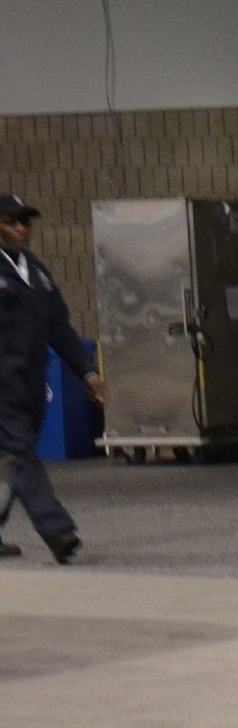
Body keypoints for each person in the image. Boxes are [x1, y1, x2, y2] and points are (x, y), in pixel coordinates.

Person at [0, 194, 107, 563]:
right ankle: (57, 530)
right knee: (22, 454)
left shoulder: (37, 272)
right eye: (12, 222)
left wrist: (88, 373)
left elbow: (59, 329)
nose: (21, 229)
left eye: (25, 223)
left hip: (29, 385)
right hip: (2, 386)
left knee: (9, 459)